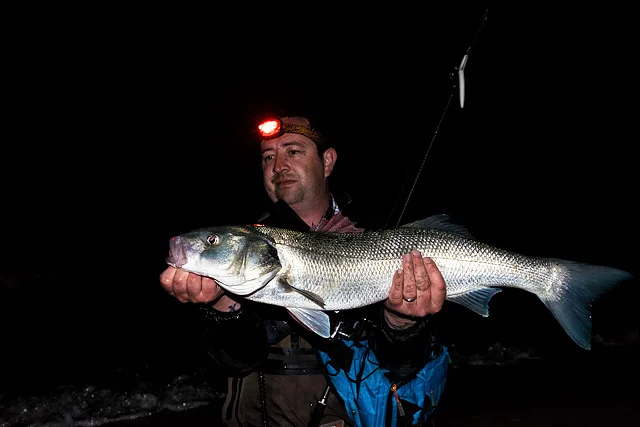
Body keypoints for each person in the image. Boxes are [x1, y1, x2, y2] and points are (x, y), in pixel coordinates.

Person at [160, 114, 450, 427]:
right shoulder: (247, 243)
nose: (278, 166)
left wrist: (402, 322)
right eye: (268, 157)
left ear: (327, 161)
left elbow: (404, 368)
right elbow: (238, 361)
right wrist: (220, 306)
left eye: (293, 151)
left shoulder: (377, 235)